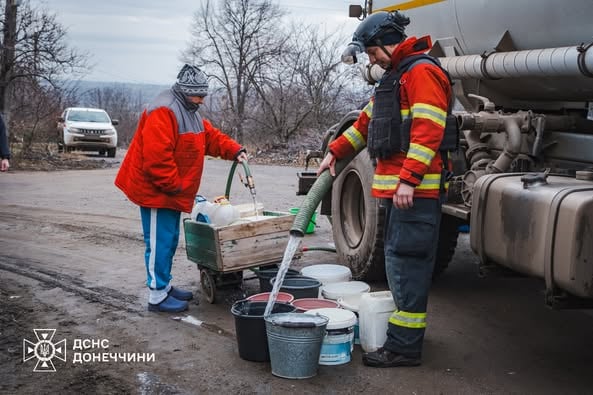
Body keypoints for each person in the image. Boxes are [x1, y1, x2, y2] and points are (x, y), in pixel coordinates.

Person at [318, 10, 453, 367]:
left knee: (407, 264)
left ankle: (404, 348)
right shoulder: (395, 78)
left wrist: (408, 179)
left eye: (372, 51)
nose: (372, 59)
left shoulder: (422, 73)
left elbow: (428, 130)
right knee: (397, 262)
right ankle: (401, 339)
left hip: (415, 194)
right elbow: (364, 126)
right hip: (400, 194)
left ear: (386, 43)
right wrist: (335, 152)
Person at [115, 64, 247, 313]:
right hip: (156, 192)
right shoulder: (164, 111)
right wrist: (176, 187)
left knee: (170, 239)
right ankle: (156, 295)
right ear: (186, 91)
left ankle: (164, 287)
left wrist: (234, 150)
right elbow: (157, 160)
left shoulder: (190, 109)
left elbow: (210, 137)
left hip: (171, 192)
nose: (202, 101)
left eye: (203, 96)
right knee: (158, 242)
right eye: (198, 96)